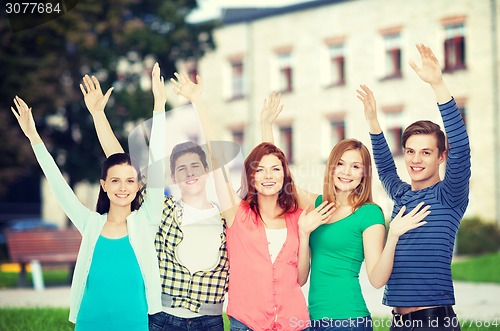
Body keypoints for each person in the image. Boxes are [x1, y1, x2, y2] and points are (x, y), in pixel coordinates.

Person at [170, 72, 336, 331]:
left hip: (294, 323)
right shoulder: (236, 214)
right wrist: (198, 102)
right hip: (246, 323)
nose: (268, 176)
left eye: (276, 170)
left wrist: (304, 234)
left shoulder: (298, 217)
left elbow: (301, 278)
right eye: (259, 170)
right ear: (250, 176)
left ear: (285, 175)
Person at [10, 63, 166, 330]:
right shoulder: (91, 223)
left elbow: (158, 162)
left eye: (130, 181)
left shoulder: (147, 220)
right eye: (115, 180)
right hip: (89, 320)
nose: (123, 187)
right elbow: (59, 186)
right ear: (103, 185)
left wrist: (159, 107)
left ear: (139, 186)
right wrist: (34, 136)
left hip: (134, 321)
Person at [81, 66, 229, 331]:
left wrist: (198, 102)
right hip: (164, 319)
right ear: (172, 175)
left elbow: (217, 153)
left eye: (195, 166)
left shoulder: (225, 216)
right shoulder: (161, 210)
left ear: (207, 171)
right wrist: (98, 115)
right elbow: (122, 166)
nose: (189, 172)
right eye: (181, 168)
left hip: (211, 320)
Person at [262, 108, 430, 331]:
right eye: (341, 164)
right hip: (313, 319)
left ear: (364, 173)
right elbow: (280, 177)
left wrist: (394, 236)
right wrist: (266, 126)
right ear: (331, 167)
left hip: (349, 320)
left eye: (356, 166)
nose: (347, 172)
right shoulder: (318, 204)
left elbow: (377, 279)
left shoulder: (368, 213)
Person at [357, 43, 471, 331]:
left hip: (434, 321)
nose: (416, 160)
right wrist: (372, 120)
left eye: (426, 152)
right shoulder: (401, 194)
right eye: (410, 151)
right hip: (399, 322)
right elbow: (383, 166)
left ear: (441, 156)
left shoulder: (450, 194)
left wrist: (438, 85)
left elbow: (461, 146)